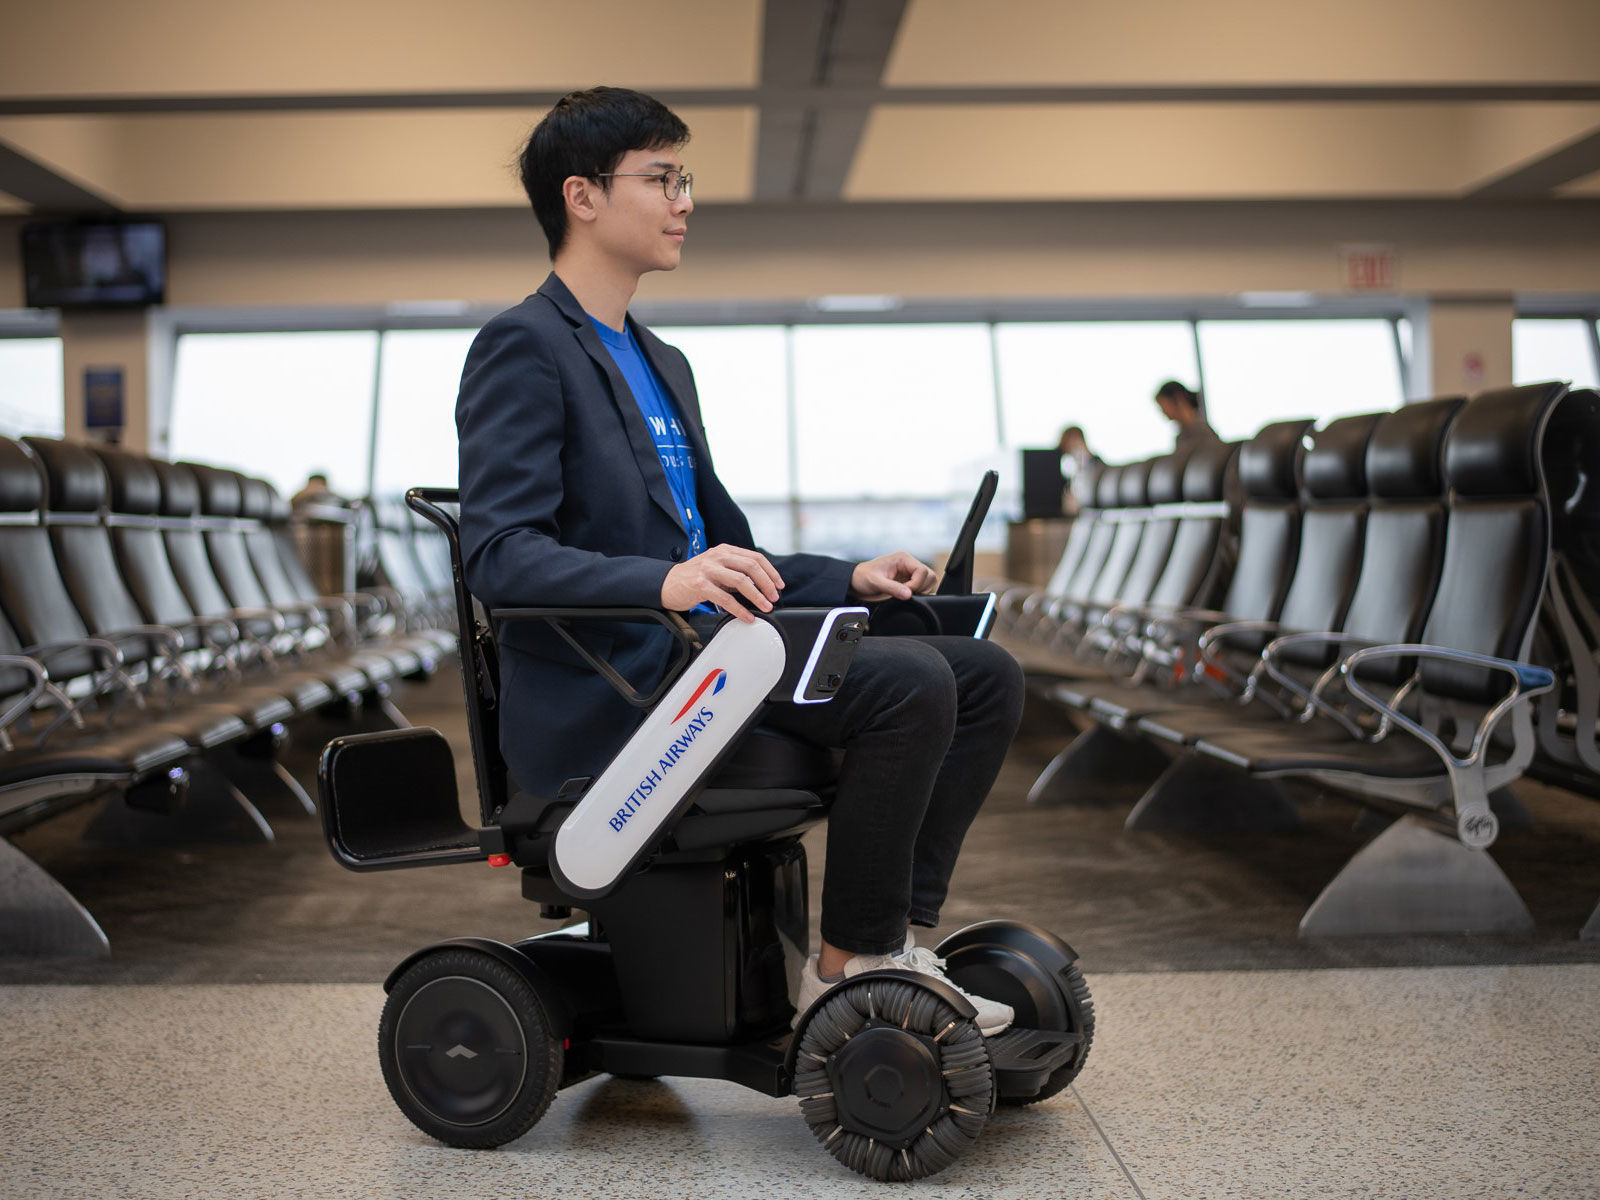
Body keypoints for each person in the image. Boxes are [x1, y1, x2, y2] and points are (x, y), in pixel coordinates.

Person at [455, 86, 1023, 1035]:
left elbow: (725, 550)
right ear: (582, 196)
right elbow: (502, 558)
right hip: (625, 693)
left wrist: (845, 577)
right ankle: (848, 975)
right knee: (910, 685)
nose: (685, 200)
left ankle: (892, 941)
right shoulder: (522, 347)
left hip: (708, 664)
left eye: (686, 179)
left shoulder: (660, 360)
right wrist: (662, 583)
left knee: (985, 675)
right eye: (661, 178)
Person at [1154, 380, 1218, 448]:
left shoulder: (1202, 431)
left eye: (1163, 406)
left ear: (1178, 399)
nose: (1163, 411)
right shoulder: (1182, 436)